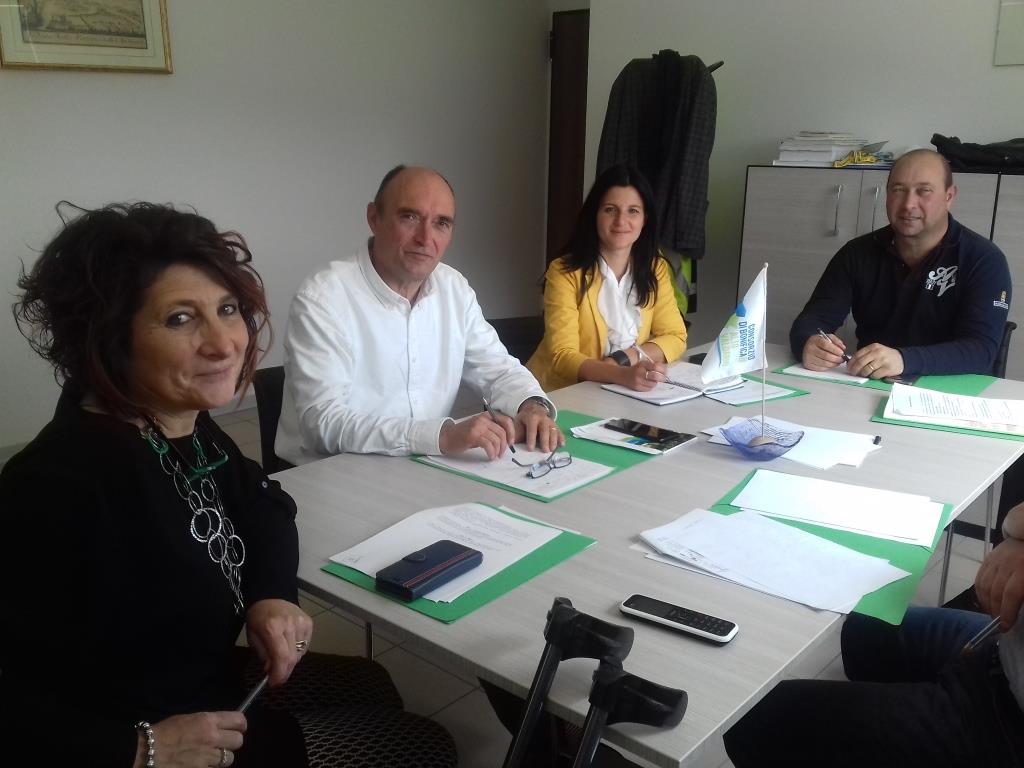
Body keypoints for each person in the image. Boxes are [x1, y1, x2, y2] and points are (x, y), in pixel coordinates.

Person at [1, 202, 457, 767]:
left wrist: (273, 596)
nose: (224, 344)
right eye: (180, 319)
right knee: (424, 746)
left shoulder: (174, 423)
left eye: (227, 309)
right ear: (108, 337)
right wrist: (142, 749)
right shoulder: (54, 485)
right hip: (155, 738)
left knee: (372, 682)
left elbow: (266, 504)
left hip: (211, 686)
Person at [276, 165, 562, 465]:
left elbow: (499, 370)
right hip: (328, 473)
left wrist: (532, 405)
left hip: (422, 465)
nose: (425, 238)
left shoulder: (454, 288)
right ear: (374, 218)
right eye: (410, 217)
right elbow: (323, 422)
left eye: (441, 223)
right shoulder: (323, 297)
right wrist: (442, 436)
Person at [723, 500, 1024, 767]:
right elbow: (1016, 517)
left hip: (1008, 725)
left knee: (754, 719)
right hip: (999, 648)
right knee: (865, 629)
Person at [790, 148, 1011, 380]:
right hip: (870, 384)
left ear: (949, 196)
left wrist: (904, 360)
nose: (908, 204)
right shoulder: (856, 253)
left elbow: (981, 350)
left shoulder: (984, 260)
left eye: (924, 191)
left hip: (950, 390)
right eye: (898, 190)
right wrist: (808, 342)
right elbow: (813, 320)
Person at [527, 164, 688, 392]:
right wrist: (622, 374)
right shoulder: (564, 272)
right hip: (560, 393)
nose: (621, 221)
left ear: (645, 219)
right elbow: (562, 356)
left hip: (622, 392)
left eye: (633, 211)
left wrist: (625, 358)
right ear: (595, 215)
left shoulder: (655, 268)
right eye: (610, 210)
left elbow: (675, 336)